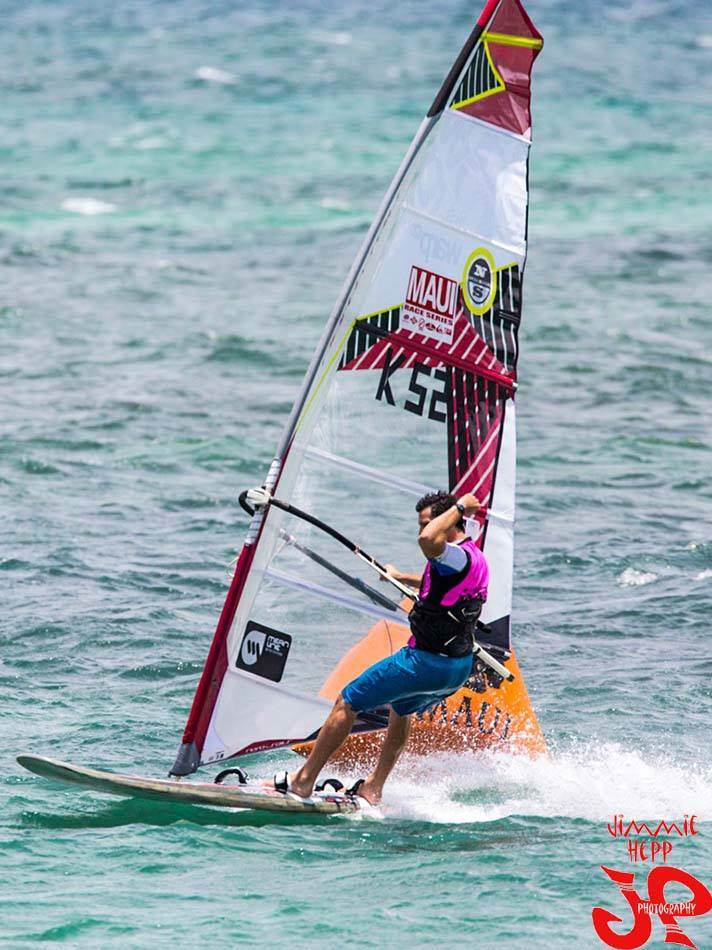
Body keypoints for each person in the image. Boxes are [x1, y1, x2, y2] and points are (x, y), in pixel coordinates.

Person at [265, 489, 488, 804]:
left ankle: (303, 781)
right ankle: (373, 787)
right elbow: (441, 580)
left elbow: (428, 540)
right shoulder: (473, 557)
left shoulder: (452, 553)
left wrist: (461, 506)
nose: (421, 530)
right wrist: (400, 577)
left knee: (347, 701)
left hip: (425, 663)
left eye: (427, 523)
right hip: (456, 668)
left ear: (448, 521)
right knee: (401, 709)